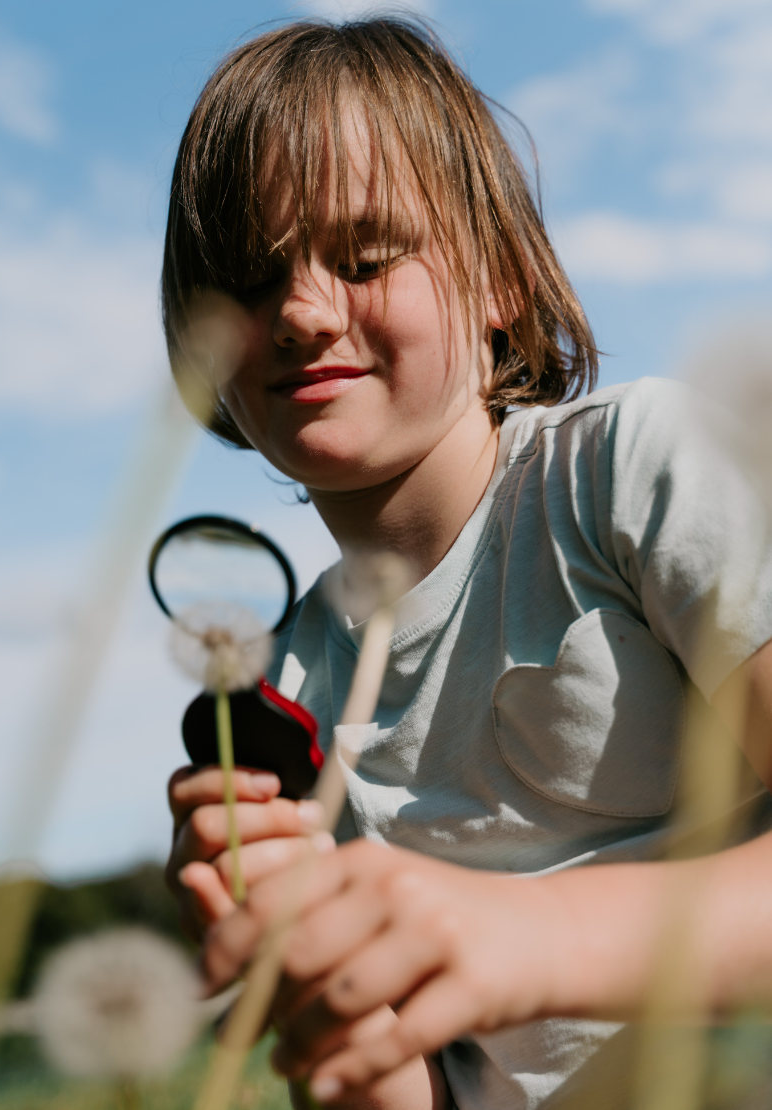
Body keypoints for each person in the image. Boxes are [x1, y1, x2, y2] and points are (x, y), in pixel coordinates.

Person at [161, 17, 772, 1110]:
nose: (301, 311)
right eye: (251, 280)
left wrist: (519, 940)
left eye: (361, 257)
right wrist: (318, 979)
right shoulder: (288, 691)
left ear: (498, 283)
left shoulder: (629, 472)